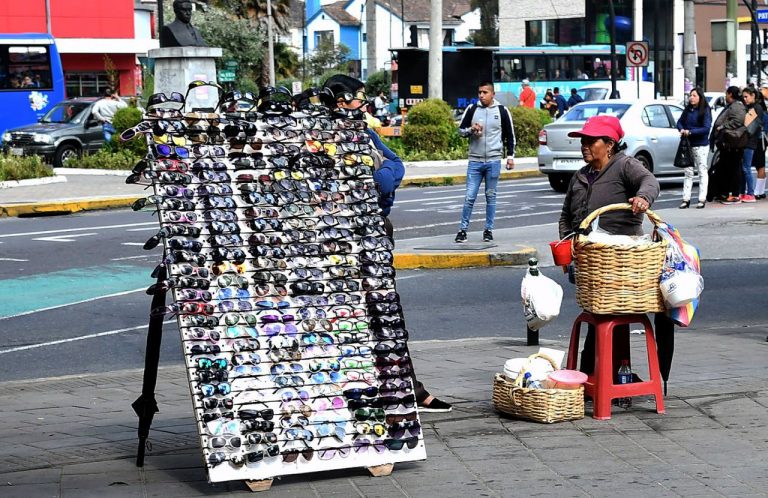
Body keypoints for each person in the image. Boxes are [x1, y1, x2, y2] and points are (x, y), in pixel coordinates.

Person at [322, 74, 453, 413]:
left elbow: (395, 165)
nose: (361, 107)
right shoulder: (320, 138)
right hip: (340, 238)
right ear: (338, 102)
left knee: (385, 316)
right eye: (355, 101)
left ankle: (409, 387)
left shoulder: (363, 134)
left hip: (375, 230)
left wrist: (374, 180)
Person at [557, 115, 675, 379]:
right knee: (596, 315)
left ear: (609, 144)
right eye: (583, 141)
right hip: (590, 261)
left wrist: (643, 198)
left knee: (610, 316)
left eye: (590, 141)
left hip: (622, 260)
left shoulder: (625, 165)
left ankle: (604, 374)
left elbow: (650, 182)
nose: (584, 146)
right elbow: (566, 216)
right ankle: (606, 374)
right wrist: (567, 245)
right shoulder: (580, 176)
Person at [455, 81, 516, 243]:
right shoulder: (472, 109)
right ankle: (462, 230)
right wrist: (471, 130)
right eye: (479, 92)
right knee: (469, 196)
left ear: (492, 94)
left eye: (484, 92)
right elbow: (460, 131)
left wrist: (510, 156)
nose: (481, 95)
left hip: (494, 160)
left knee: (491, 196)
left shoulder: (502, 111)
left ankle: (488, 230)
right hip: (474, 161)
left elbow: (510, 135)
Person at [675, 86, 712, 209]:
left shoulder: (705, 110)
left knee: (702, 171)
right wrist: (681, 129)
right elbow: (679, 122)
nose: (691, 98)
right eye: (690, 95)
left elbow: (706, 128)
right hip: (688, 145)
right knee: (688, 172)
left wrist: (690, 132)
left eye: (694, 95)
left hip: (700, 145)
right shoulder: (688, 110)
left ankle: (702, 199)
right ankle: (686, 199)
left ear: (700, 97)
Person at [709, 86, 746, 204]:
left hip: (733, 144)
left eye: (727, 94)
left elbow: (738, 121)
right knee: (725, 169)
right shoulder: (732, 106)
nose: (725, 96)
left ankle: (733, 194)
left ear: (730, 94)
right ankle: (724, 193)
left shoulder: (737, 106)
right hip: (727, 144)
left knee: (733, 169)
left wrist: (723, 127)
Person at [739, 87, 761, 202]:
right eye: (743, 97)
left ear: (753, 95)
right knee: (743, 168)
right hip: (746, 142)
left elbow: (749, 127)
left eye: (746, 96)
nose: (744, 99)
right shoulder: (750, 107)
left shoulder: (757, 108)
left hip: (750, 142)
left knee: (746, 168)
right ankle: (742, 192)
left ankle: (750, 193)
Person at [757, 83, 768, 199]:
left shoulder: (759, 112)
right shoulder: (764, 112)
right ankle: (760, 191)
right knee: (760, 165)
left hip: (760, 140)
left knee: (759, 165)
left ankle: (758, 191)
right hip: (762, 140)